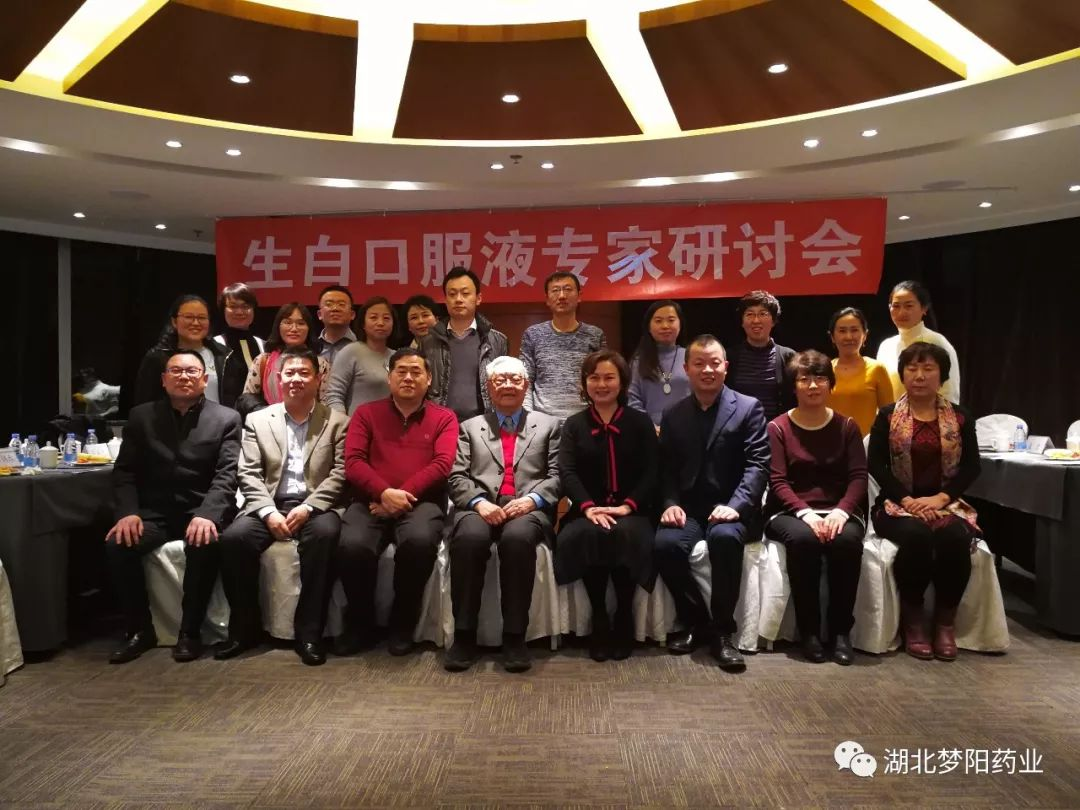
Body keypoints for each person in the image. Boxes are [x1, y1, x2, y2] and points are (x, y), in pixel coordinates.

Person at [104, 350, 240, 663]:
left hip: (199, 509)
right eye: (176, 371)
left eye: (192, 371)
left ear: (204, 380)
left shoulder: (226, 419)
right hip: (154, 512)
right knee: (118, 544)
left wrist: (208, 515)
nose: (184, 377)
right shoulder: (141, 417)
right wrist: (128, 513)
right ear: (164, 380)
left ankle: (190, 632)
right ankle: (139, 630)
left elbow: (227, 475)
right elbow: (124, 472)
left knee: (205, 542)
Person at [216, 346, 348, 667]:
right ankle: (244, 629)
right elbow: (248, 472)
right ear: (278, 378)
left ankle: (309, 633)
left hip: (317, 505)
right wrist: (267, 512)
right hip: (270, 502)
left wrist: (310, 507)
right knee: (234, 540)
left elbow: (341, 472)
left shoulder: (338, 421)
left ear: (318, 379)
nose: (296, 379)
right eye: (290, 373)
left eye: (304, 373)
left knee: (325, 536)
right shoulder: (258, 420)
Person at [653, 335, 769, 672]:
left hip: (732, 508)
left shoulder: (748, 407)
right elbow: (666, 469)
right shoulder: (673, 414)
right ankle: (696, 620)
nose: (708, 370)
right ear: (686, 369)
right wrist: (670, 502)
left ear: (725, 367)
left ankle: (722, 632)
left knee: (725, 539)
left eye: (715, 363)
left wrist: (737, 504)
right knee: (665, 545)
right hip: (689, 508)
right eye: (699, 363)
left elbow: (758, 465)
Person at [335, 348, 458, 656]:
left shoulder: (444, 417)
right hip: (370, 501)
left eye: (416, 372)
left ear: (429, 379)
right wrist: (383, 493)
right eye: (401, 371)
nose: (408, 378)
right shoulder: (366, 413)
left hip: (422, 502)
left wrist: (400, 496)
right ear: (389, 378)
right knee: (353, 545)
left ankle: (403, 622)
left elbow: (442, 464)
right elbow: (354, 462)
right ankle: (360, 623)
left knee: (419, 542)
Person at [444, 357, 562, 673]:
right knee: (469, 539)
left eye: (514, 379)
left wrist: (532, 501)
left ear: (526, 385)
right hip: (480, 506)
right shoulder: (469, 427)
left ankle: (514, 637)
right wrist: (479, 502)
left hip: (527, 508)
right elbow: (456, 476)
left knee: (517, 540)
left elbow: (557, 475)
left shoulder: (549, 426)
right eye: (500, 380)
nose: (508, 385)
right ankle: (464, 636)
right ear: (489, 387)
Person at [868, 341, 981, 661]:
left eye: (928, 368)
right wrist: (909, 501)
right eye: (912, 368)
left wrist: (940, 499)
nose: (919, 375)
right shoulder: (887, 416)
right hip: (896, 504)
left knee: (954, 537)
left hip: (946, 503)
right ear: (903, 374)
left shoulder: (960, 417)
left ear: (942, 376)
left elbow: (972, 467)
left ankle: (945, 623)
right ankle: (914, 622)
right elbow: (876, 464)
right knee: (916, 536)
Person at [764, 351, 868, 665]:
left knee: (846, 541)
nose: (813, 385)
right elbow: (778, 480)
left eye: (820, 378)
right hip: (790, 511)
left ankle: (840, 632)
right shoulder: (778, 428)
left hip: (839, 510)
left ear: (830, 384)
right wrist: (805, 513)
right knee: (804, 540)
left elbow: (858, 476)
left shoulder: (847, 426)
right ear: (793, 386)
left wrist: (841, 511)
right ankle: (809, 632)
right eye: (804, 379)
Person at [557, 350, 658, 662]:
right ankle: (599, 616)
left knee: (626, 534)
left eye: (609, 377)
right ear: (584, 383)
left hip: (633, 509)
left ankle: (624, 615)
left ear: (622, 382)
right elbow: (567, 471)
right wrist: (588, 507)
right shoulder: (573, 425)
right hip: (587, 510)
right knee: (586, 534)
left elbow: (653, 470)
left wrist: (628, 506)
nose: (601, 384)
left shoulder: (640, 422)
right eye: (594, 378)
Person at [422, 266, 509, 421]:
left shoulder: (497, 341)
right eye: (452, 294)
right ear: (445, 300)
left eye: (465, 293)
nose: (458, 299)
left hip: (485, 423)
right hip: (439, 424)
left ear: (478, 298)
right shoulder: (428, 342)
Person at [519, 271, 606, 420]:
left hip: (585, 420)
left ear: (579, 296)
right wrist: (529, 418)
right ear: (547, 299)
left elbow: (602, 380)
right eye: (555, 290)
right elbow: (525, 379)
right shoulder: (532, 334)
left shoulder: (595, 335)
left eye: (567, 289)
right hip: (543, 421)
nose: (561, 296)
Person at [876, 280, 961, 404]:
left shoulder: (936, 342)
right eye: (896, 306)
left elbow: (949, 392)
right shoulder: (886, 346)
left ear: (924, 308)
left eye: (909, 306)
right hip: (891, 415)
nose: (902, 312)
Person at [132, 295, 226, 406]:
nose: (196, 323)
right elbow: (144, 404)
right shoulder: (157, 358)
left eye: (202, 318)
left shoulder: (223, 355)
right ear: (174, 322)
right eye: (189, 317)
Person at [725, 290, 795, 422]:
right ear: (742, 322)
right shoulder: (729, 357)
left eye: (763, 314)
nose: (756, 320)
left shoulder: (789, 357)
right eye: (749, 314)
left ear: (773, 321)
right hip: (739, 429)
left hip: (777, 429)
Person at [242, 303, 330, 407]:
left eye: (301, 323)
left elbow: (326, 403)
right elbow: (247, 399)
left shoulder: (321, 364)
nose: (294, 329)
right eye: (288, 322)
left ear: (309, 328)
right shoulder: (263, 361)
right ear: (278, 326)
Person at [828, 307, 894, 437]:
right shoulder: (825, 370)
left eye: (854, 330)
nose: (848, 336)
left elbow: (889, 416)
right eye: (842, 331)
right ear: (832, 337)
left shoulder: (877, 368)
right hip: (832, 443)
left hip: (866, 444)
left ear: (865, 335)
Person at [324, 296, 395, 416]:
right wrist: (345, 425)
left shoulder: (397, 357)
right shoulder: (351, 352)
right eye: (373, 317)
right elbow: (334, 395)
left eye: (386, 318)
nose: (380, 323)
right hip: (355, 425)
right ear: (363, 324)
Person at [628, 300, 690, 429]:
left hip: (687, 429)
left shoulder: (691, 356)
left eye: (671, 320)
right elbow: (632, 399)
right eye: (658, 321)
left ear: (680, 324)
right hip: (649, 432)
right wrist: (650, 427)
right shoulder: (638, 361)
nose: (665, 326)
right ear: (649, 327)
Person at [212, 282, 265, 409]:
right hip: (224, 416)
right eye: (233, 306)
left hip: (259, 416)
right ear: (223, 310)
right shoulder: (213, 346)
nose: (240, 312)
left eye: (246, 306)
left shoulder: (263, 345)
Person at [315, 285, 358, 366]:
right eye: (329, 304)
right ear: (319, 314)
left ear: (352, 315)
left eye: (341, 304)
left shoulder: (363, 347)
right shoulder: (312, 347)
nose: (335, 308)